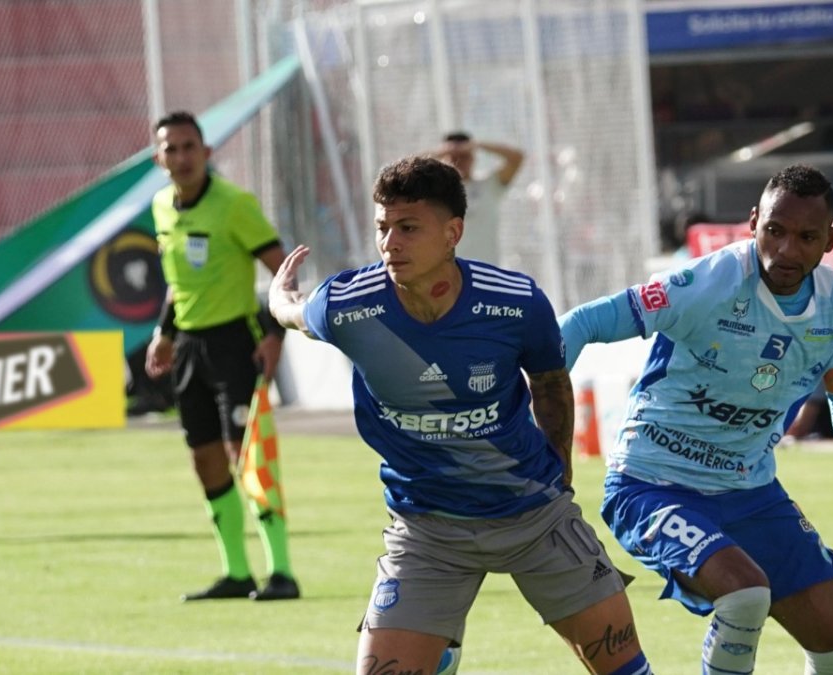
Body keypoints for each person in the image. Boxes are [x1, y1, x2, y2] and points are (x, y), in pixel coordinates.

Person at [269, 156, 653, 675]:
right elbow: (293, 313)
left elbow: (551, 385)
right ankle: (439, 647)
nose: (389, 243)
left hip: (535, 517)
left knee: (625, 668)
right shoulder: (349, 305)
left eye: (408, 228)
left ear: (453, 232)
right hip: (427, 529)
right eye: (383, 228)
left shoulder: (516, 302)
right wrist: (279, 294)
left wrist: (560, 469)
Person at [560, 164, 833, 674]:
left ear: (832, 239)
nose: (785, 250)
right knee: (745, 595)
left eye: (806, 237)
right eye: (774, 231)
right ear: (753, 221)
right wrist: (533, 405)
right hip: (651, 484)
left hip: (751, 491)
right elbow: (582, 323)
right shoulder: (704, 284)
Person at [145, 111, 299, 602]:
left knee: (246, 455)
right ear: (159, 158)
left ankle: (282, 573)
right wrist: (164, 333)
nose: (182, 157)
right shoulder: (161, 207)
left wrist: (276, 334)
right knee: (205, 460)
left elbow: (282, 270)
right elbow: (178, 280)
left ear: (207, 153)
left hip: (236, 342)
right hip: (190, 348)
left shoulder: (234, 204)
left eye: (190, 147)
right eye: (172, 148)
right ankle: (236, 572)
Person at [433, 131, 524, 264]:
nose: (458, 162)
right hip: (450, 273)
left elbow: (517, 158)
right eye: (453, 157)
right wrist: (439, 151)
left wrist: (477, 145)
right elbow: (405, 171)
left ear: (473, 157)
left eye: (464, 156)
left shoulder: (489, 185)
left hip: (487, 271)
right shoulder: (434, 192)